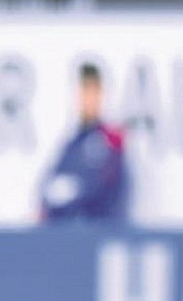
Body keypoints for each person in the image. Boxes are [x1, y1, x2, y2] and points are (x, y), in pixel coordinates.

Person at [39, 63, 128, 223]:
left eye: (93, 92)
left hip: (97, 228)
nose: (88, 100)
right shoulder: (72, 143)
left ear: (101, 95)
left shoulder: (110, 139)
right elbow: (49, 187)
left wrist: (74, 192)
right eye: (84, 92)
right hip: (67, 229)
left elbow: (106, 190)